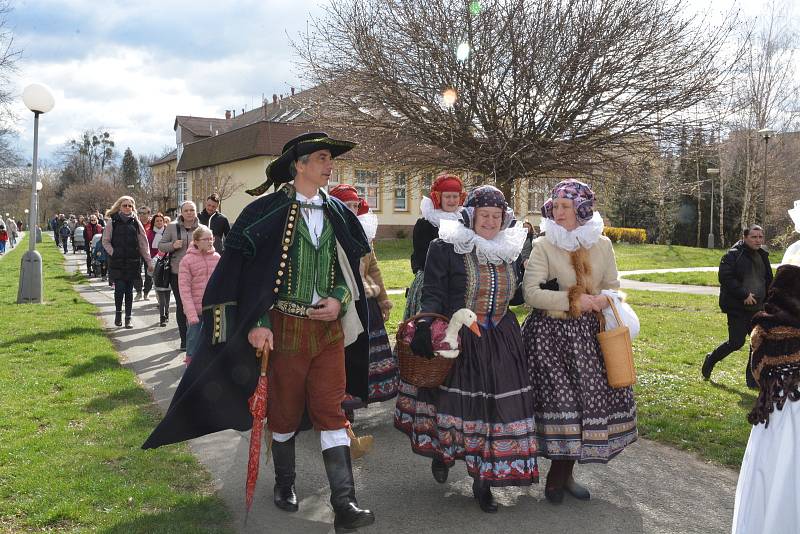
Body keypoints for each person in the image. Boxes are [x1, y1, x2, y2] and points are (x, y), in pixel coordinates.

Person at [143, 132, 375, 532]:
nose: (328, 164)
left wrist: (339, 298)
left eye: (329, 159)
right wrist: (258, 323)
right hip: (282, 330)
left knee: (331, 413)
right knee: (283, 413)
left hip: (329, 333)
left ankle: (345, 502)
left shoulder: (339, 212)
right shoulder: (263, 212)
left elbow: (352, 271)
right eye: (321, 158)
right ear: (299, 164)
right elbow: (244, 277)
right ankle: (285, 484)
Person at [396, 185, 539, 513]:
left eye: (496, 216)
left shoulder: (509, 248)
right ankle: (441, 453)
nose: (489, 221)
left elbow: (513, 296)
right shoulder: (445, 246)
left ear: (504, 219)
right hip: (460, 336)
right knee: (450, 406)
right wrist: (422, 327)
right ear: (471, 216)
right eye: (483, 215)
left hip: (501, 338)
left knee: (493, 411)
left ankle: (482, 480)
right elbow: (432, 291)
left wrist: (540, 284)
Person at [521, 179, 637, 504]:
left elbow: (612, 284)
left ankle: (565, 474)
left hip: (588, 338)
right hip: (549, 338)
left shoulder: (602, 244)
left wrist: (603, 298)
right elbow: (531, 294)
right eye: (555, 206)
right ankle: (555, 478)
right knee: (562, 405)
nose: (558, 213)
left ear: (582, 210)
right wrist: (574, 301)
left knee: (585, 406)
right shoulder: (544, 244)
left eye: (566, 207)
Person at [731, 257, 800, 534]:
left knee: (773, 482)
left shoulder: (766, 332)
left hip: (779, 407)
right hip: (786, 408)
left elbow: (759, 370)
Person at [329, 184, 397, 407]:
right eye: (346, 205)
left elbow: (374, 269)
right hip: (344, 302)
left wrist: (383, 300)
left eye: (355, 206)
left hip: (367, 301)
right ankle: (341, 400)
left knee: (367, 352)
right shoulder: (330, 234)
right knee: (345, 353)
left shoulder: (365, 235)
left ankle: (366, 394)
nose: (352, 210)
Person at [702, 225, 773, 387]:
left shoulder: (763, 255)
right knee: (736, 342)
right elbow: (726, 278)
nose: (758, 240)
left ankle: (752, 380)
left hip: (758, 309)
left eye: (760, 237)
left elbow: (768, 279)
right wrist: (744, 295)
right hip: (737, 308)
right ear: (745, 238)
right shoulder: (733, 255)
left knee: (757, 343)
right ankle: (711, 359)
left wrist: (771, 299)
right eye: (754, 237)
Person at [403, 174, 466, 320]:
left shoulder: (464, 221)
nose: (452, 201)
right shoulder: (426, 223)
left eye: (455, 196)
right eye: (447, 197)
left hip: (458, 280)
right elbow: (422, 256)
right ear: (438, 198)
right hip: (431, 280)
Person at [102, 196, 152, 329]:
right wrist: (113, 252)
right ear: (119, 206)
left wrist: (148, 261)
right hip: (117, 262)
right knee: (119, 289)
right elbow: (105, 241)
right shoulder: (112, 221)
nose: (127, 208)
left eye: (130, 206)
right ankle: (118, 313)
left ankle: (128, 318)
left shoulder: (136, 222)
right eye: (125, 205)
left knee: (129, 291)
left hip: (132, 261)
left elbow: (143, 243)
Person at [159, 201, 200, 350]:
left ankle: (194, 339)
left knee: (196, 306)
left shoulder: (202, 229)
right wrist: (173, 246)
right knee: (182, 305)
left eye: (192, 210)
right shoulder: (171, 227)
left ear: (196, 212)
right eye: (186, 210)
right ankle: (184, 340)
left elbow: (210, 246)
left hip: (197, 274)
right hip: (177, 273)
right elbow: (161, 245)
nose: (189, 213)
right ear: (181, 212)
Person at [178, 225, 220, 366]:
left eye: (211, 239)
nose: (210, 242)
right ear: (196, 241)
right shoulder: (187, 261)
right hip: (195, 311)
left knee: (212, 343)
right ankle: (190, 367)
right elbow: (184, 289)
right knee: (193, 341)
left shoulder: (217, 258)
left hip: (213, 310)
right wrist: (191, 314)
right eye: (206, 239)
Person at [147, 213, 171, 326]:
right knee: (160, 291)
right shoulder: (150, 233)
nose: (159, 222)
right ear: (154, 222)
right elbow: (146, 248)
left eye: (161, 220)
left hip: (168, 265)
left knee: (167, 293)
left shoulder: (169, 232)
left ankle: (166, 313)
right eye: (157, 221)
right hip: (155, 263)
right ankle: (162, 316)